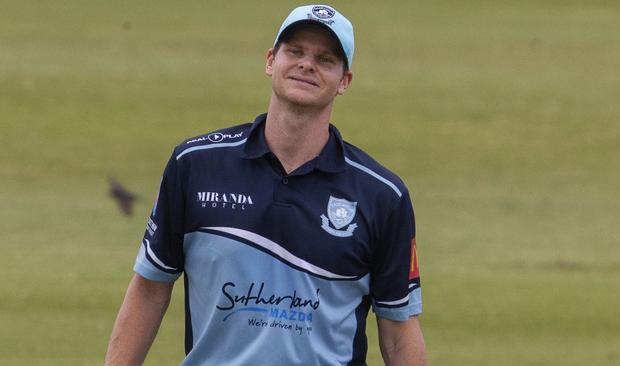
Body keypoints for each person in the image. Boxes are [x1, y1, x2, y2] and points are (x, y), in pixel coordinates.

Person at [105, 4, 426, 365]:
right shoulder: (195, 166)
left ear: (344, 81)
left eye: (325, 58)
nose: (307, 64)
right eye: (295, 51)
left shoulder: (382, 195)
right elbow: (150, 289)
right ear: (271, 60)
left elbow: (399, 333)